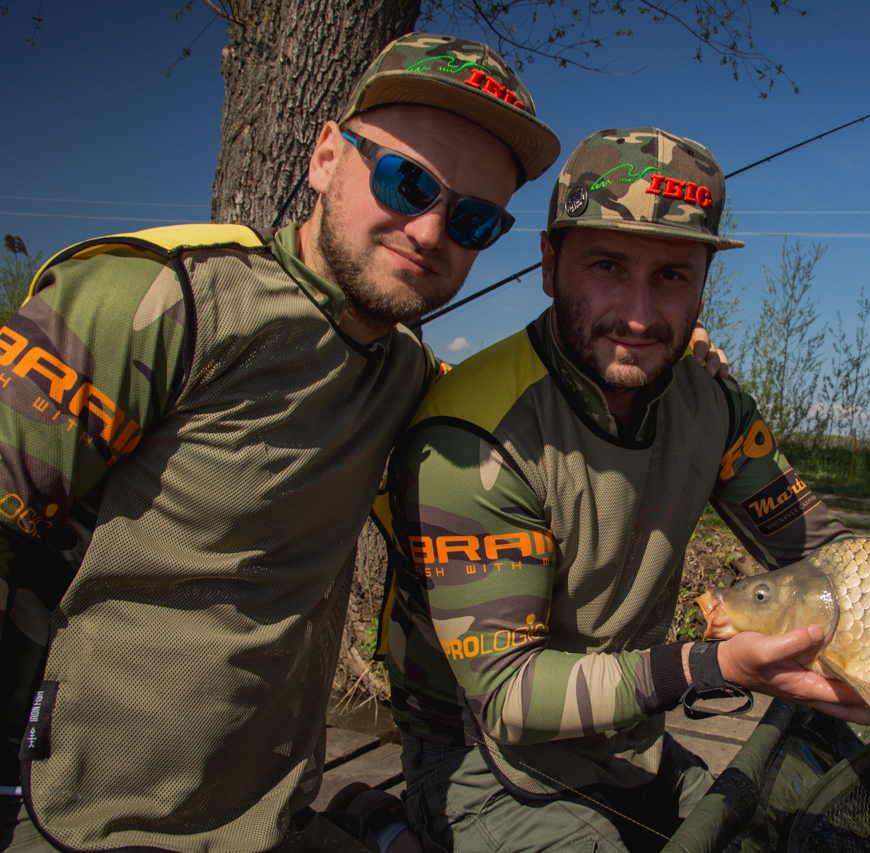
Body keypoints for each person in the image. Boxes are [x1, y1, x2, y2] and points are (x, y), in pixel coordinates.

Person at [381, 126, 870, 853]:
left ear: (705, 282)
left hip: (629, 737)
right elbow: (508, 696)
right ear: (549, 264)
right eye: (607, 265)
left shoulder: (712, 405)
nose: (638, 313)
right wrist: (711, 666)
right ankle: (389, 828)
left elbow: (832, 561)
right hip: (483, 757)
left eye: (672, 276)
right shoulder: (471, 437)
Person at [0, 32, 566, 853]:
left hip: (273, 817)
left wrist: (667, 365)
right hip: (87, 822)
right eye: (407, 182)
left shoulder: (407, 374)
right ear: (326, 157)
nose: (429, 231)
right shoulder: (158, 299)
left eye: (474, 219)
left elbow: (514, 413)